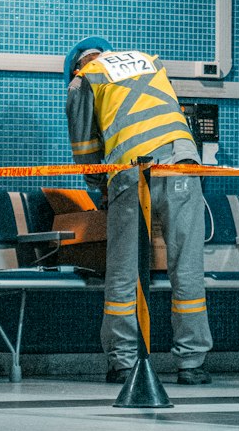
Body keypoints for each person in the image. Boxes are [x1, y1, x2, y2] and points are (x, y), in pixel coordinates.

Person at [64, 38, 213, 386]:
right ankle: (191, 364)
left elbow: (86, 150)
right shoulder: (150, 59)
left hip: (133, 170)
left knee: (123, 271)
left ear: (76, 65)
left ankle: (123, 362)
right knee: (187, 266)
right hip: (184, 164)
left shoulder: (83, 79)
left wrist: (100, 188)